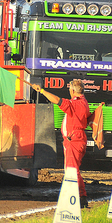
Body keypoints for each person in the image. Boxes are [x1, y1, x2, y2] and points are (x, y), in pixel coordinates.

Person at [32, 79, 90, 208]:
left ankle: (75, 198)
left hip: (73, 139)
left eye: (69, 89)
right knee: (74, 169)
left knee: (72, 170)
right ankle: (81, 197)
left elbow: (57, 100)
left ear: (73, 91)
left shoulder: (75, 104)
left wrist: (41, 91)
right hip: (77, 138)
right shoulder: (83, 102)